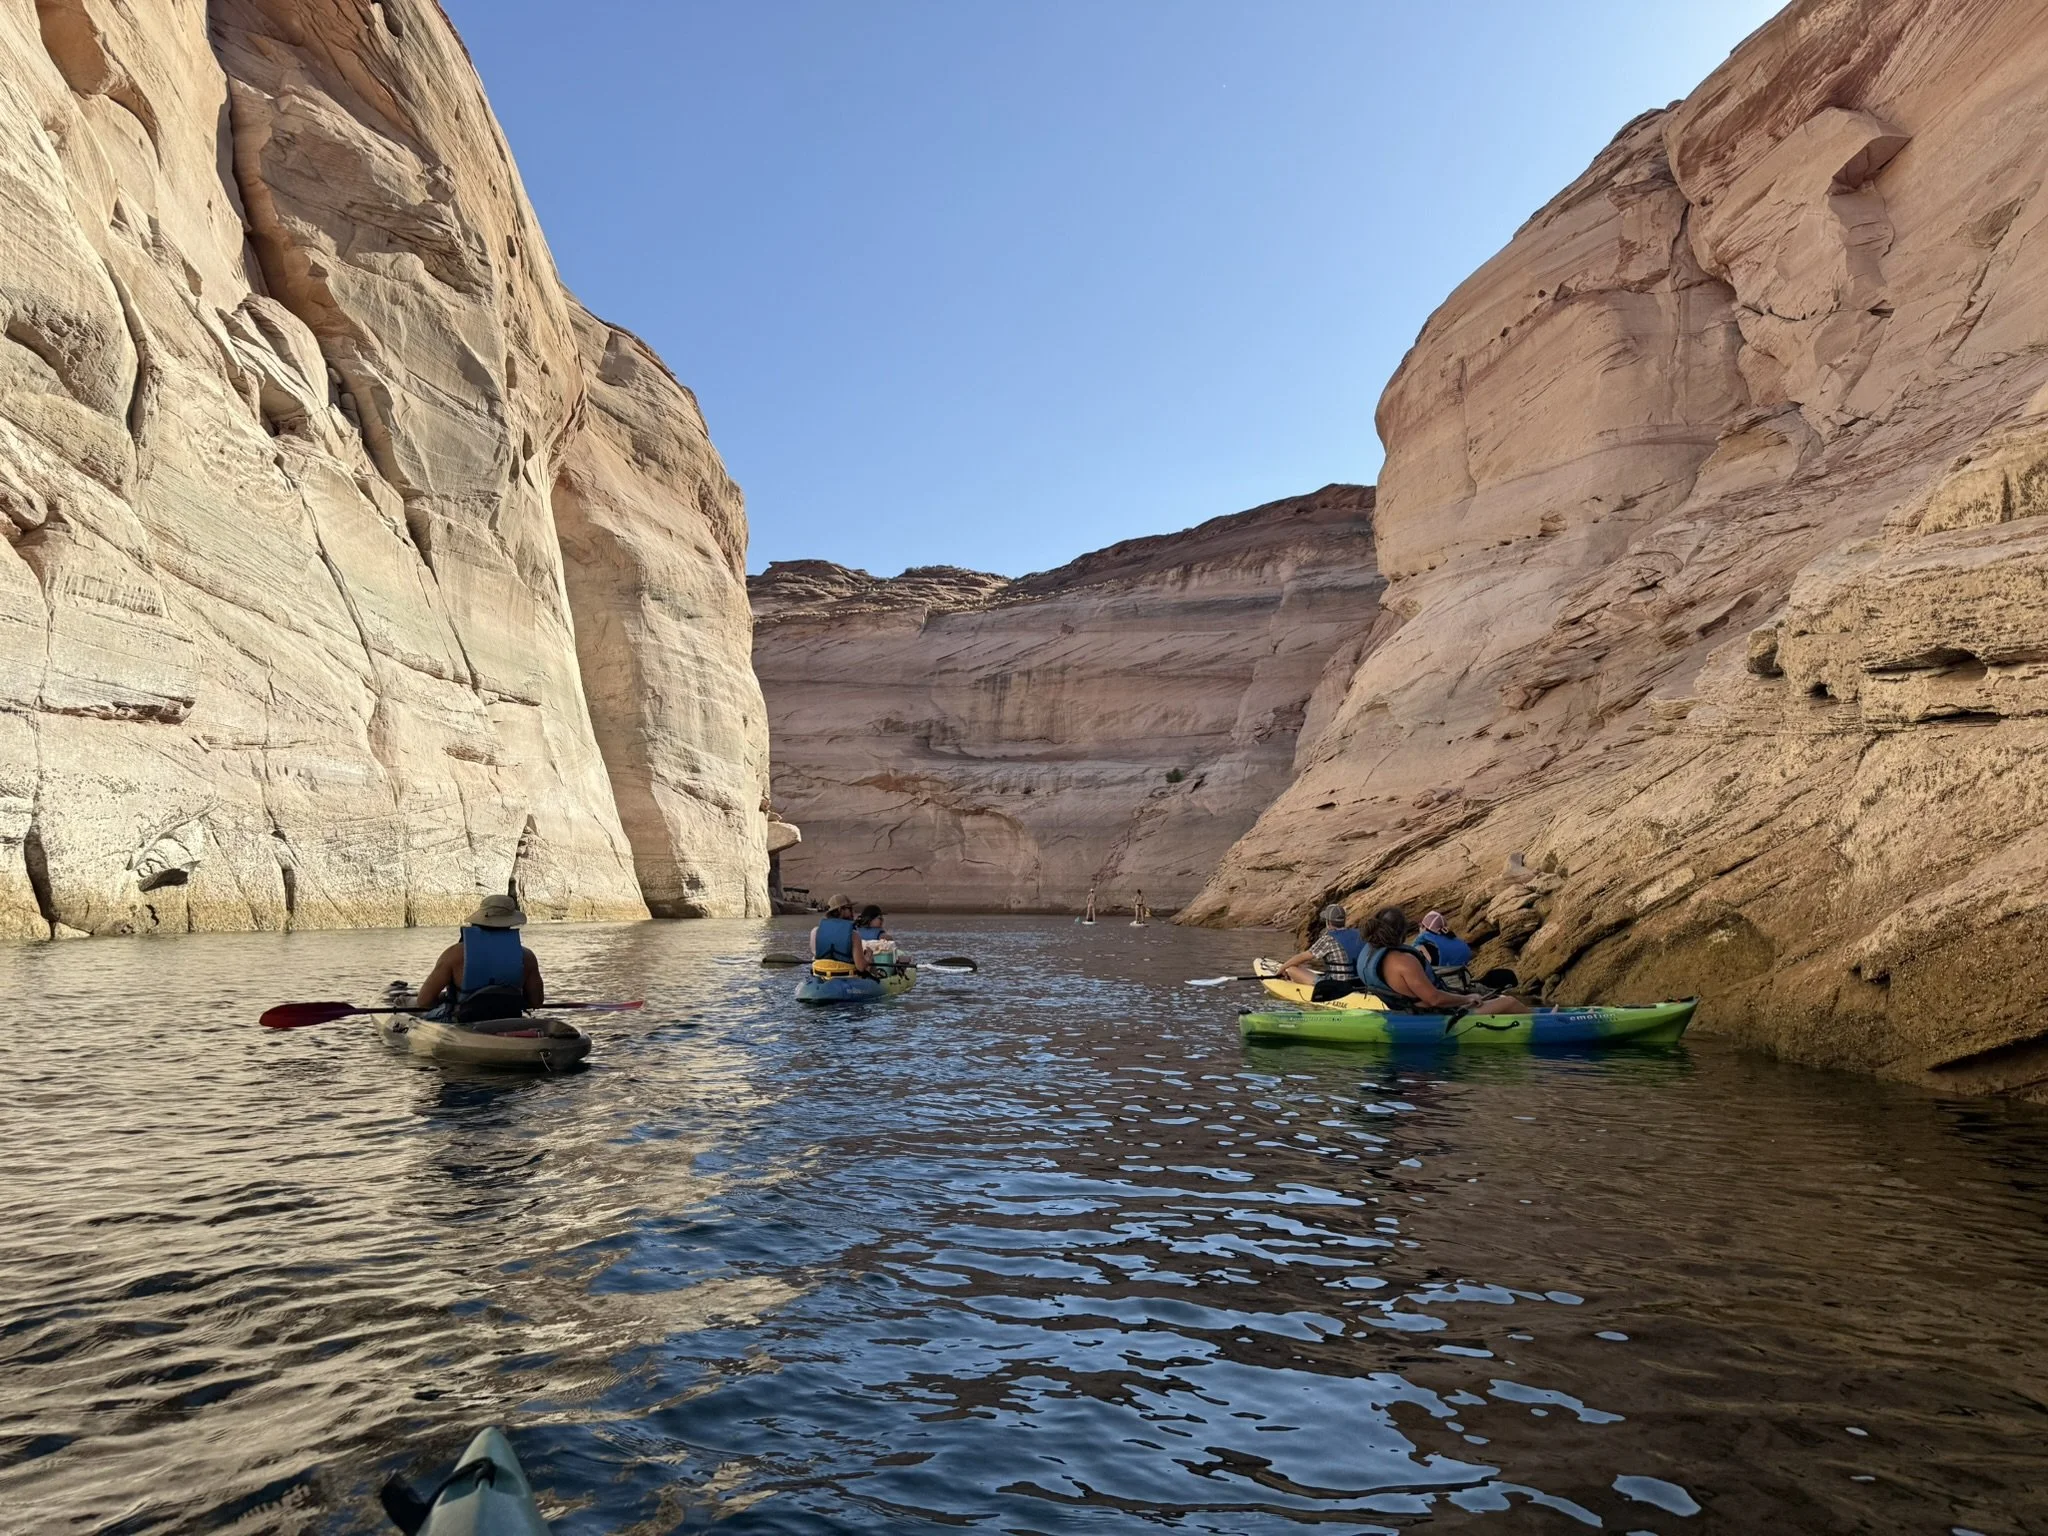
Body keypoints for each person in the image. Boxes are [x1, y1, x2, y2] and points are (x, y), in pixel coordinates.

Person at [1359, 905, 1531, 1014]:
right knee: (1509, 1002)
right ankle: (1550, 1022)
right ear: (1402, 932)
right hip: (1433, 1015)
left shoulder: (1367, 953)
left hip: (1403, 1011)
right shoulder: (1404, 961)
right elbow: (1434, 999)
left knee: (1496, 1001)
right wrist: (1467, 998)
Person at [416, 893, 545, 1025]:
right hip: (509, 1019)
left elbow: (424, 1001)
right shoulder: (527, 957)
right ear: (510, 923)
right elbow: (536, 1001)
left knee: (418, 1013)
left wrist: (448, 998)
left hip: (463, 1021)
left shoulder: (454, 954)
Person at [1278, 903, 1366, 1001]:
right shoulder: (1359, 934)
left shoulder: (1328, 939)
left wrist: (1282, 968)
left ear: (1328, 922)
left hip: (1336, 987)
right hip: (1358, 983)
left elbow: (1302, 957)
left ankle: (1294, 981)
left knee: (1291, 969)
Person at [811, 893, 872, 975]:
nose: (853, 912)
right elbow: (861, 967)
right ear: (840, 910)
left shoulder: (815, 932)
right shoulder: (854, 935)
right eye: (850, 909)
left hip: (821, 974)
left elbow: (816, 956)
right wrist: (868, 957)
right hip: (845, 977)